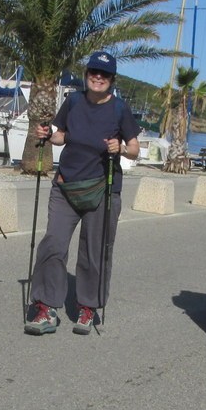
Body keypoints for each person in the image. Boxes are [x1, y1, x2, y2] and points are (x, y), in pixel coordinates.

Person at [24, 51, 141, 336]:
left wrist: (120, 149)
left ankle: (88, 307)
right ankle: (46, 307)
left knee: (94, 250)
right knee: (53, 243)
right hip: (65, 185)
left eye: (104, 74)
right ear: (87, 75)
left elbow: (135, 148)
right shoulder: (74, 101)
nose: (97, 78)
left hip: (102, 189)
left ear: (112, 80)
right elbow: (62, 134)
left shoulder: (119, 109)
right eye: (93, 72)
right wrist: (48, 136)